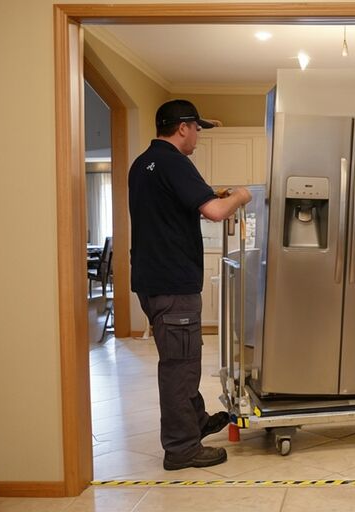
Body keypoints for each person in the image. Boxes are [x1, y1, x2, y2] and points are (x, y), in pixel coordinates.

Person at [129, 99, 252, 470]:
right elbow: (214, 212)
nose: (198, 135)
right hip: (173, 282)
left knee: (182, 358)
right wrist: (240, 196)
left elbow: (173, 207)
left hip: (153, 281)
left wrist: (214, 195)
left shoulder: (144, 163)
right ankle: (181, 448)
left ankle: (195, 421)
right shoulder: (174, 162)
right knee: (179, 367)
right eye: (197, 128)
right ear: (182, 127)